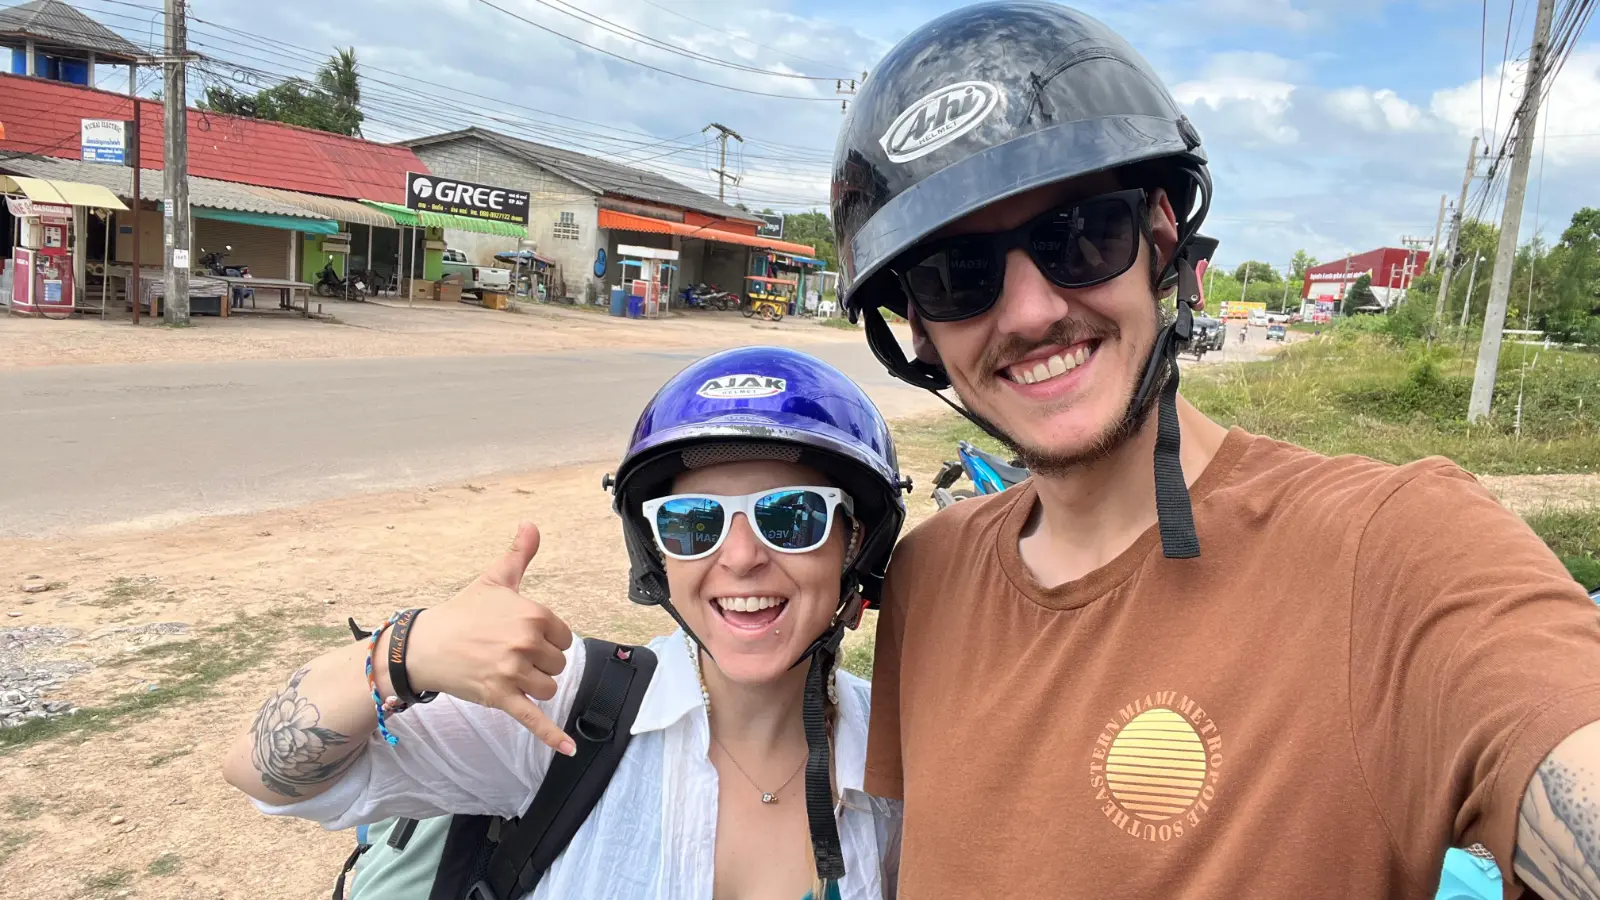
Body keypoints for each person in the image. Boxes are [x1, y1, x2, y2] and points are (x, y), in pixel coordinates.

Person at [829, 3, 1600, 899]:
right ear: (916, 330)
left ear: (1162, 237)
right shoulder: (929, 576)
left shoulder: (1390, 552)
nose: (1033, 311)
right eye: (958, 275)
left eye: (1081, 235)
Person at [222, 346, 907, 899]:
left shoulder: (905, 758)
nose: (742, 558)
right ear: (655, 553)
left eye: (792, 517)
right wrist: (403, 652)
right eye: (692, 524)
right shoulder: (563, 713)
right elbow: (263, 774)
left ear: (856, 543)